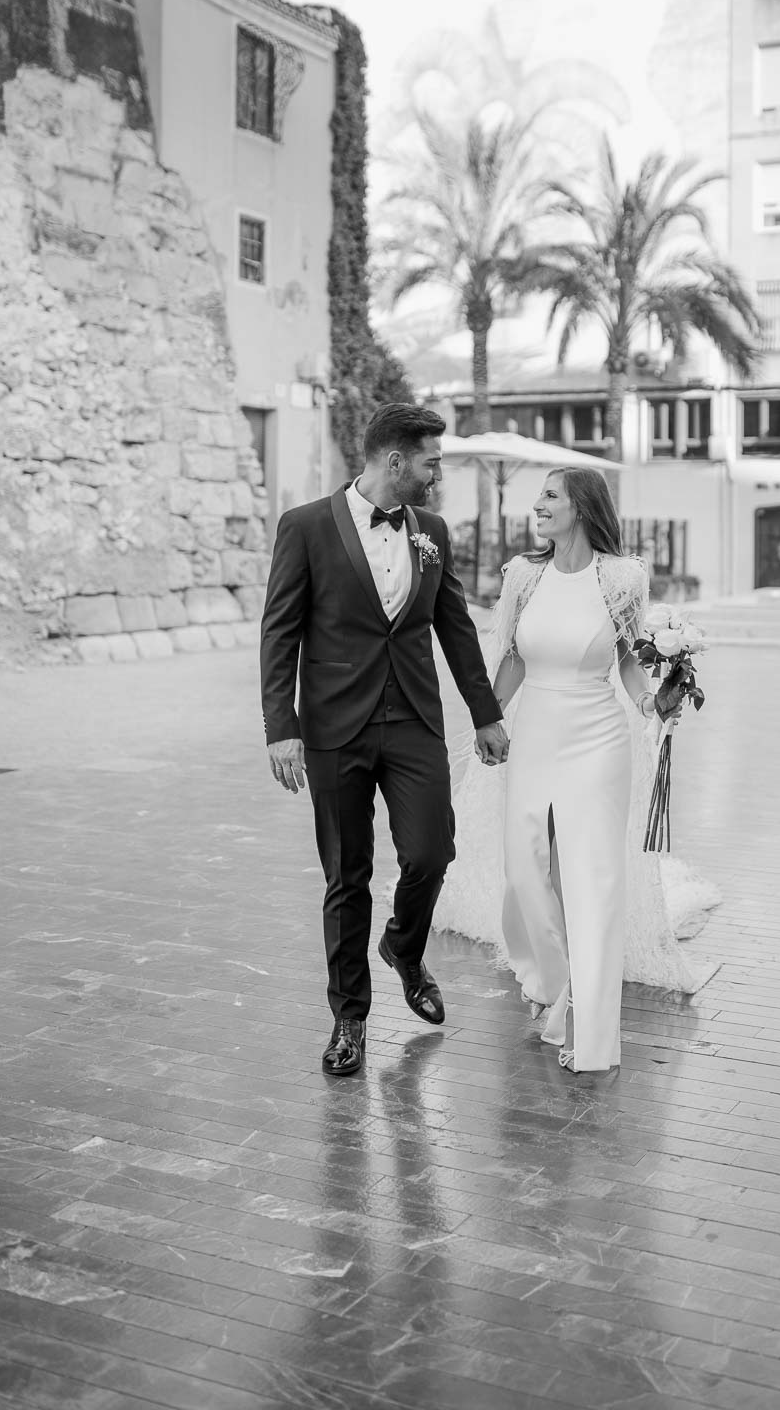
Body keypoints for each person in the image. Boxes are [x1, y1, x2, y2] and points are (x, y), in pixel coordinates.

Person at [259, 402, 509, 1079]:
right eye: (430, 461)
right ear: (394, 460)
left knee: (431, 851)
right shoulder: (306, 526)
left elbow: (454, 625)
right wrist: (281, 729)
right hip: (334, 729)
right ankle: (349, 1017)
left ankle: (404, 946)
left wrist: (485, 714)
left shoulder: (430, 531)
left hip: (413, 724)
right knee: (348, 877)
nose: (435, 475)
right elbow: (280, 632)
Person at [487, 467, 681, 1073]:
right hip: (536, 734)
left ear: (581, 507)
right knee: (527, 870)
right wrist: (487, 718)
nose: (537, 505)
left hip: (599, 740)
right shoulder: (523, 576)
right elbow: (514, 659)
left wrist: (652, 701)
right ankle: (552, 982)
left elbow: (627, 658)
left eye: (549, 495)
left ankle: (591, 1035)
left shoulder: (622, 579)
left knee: (590, 882)